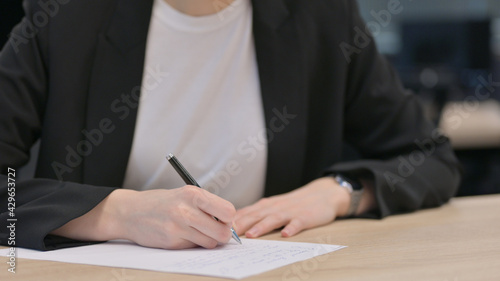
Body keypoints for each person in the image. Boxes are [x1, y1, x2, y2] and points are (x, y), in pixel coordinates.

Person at [0, 0, 461, 251]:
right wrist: (120, 214)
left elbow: (429, 156)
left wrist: (340, 190)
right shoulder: (64, 17)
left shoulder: (323, 17)